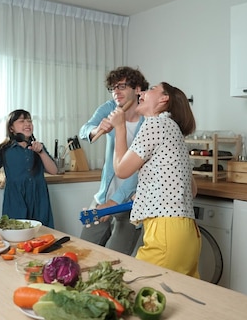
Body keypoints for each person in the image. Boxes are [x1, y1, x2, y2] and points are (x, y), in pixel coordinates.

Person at [109, 82, 200, 278]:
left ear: (163, 99)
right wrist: (147, 193)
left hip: (166, 232)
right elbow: (191, 190)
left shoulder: (155, 124)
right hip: (187, 232)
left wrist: (119, 127)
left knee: (137, 289)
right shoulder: (173, 130)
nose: (141, 92)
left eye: (150, 89)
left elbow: (121, 170)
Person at [78, 66, 149, 255]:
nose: (116, 92)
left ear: (137, 89)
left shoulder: (149, 121)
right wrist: (96, 129)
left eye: (122, 86)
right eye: (113, 88)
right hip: (105, 193)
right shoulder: (110, 108)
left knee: (116, 257)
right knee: (84, 248)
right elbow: (85, 130)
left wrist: (115, 202)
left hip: (132, 199)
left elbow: (140, 168)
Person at [0, 109, 58, 227]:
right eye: (21, 121)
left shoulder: (38, 147)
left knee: (43, 235)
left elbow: (54, 171)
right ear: (11, 128)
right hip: (15, 200)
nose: (27, 124)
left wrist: (41, 152)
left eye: (29, 121)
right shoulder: (5, 150)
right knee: (16, 234)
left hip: (39, 199)